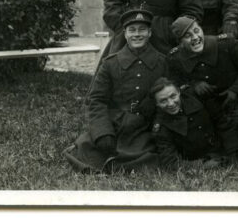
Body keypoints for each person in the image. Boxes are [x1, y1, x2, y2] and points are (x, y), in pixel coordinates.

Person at [63, 9, 165, 173]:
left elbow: (166, 98)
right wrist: (103, 131)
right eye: (132, 30)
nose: (137, 34)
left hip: (143, 125)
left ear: (150, 33)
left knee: (148, 154)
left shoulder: (162, 62)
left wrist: (157, 125)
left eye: (142, 30)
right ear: (125, 34)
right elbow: (96, 100)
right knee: (89, 148)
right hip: (115, 122)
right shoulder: (110, 64)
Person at [166, 16, 238, 151]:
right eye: (187, 36)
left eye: (197, 30)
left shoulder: (227, 44)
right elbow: (175, 83)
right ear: (179, 42)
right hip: (206, 114)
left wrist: (236, 91)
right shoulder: (175, 58)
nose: (196, 37)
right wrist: (193, 85)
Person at [149, 76, 234, 169]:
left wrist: (233, 152)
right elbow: (170, 162)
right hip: (197, 159)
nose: (171, 103)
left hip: (220, 149)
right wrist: (203, 165)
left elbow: (223, 122)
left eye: (173, 96)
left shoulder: (196, 97)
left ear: (179, 92)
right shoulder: (160, 127)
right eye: (163, 101)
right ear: (157, 104)